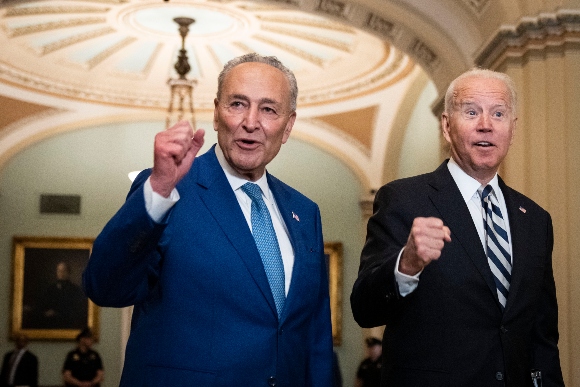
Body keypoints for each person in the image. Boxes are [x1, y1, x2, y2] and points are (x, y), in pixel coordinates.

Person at [83, 53, 333, 386]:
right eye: (238, 104)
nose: (251, 122)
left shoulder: (305, 212)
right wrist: (157, 190)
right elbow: (105, 287)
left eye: (269, 109)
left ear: (288, 126)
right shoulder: (167, 188)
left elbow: (314, 336)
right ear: (216, 114)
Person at [350, 68, 564, 386]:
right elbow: (364, 309)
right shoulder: (402, 199)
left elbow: (542, 336)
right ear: (448, 127)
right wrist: (406, 264)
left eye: (499, 113)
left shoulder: (534, 219)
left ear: (512, 129)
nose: (486, 125)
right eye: (472, 112)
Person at [39, 261, 87, 329]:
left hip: (68, 322)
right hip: (51, 323)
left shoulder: (75, 289)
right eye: (59, 271)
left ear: (68, 273)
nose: (61, 273)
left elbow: (77, 310)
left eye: (64, 271)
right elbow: (43, 305)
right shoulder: (50, 289)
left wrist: (57, 312)